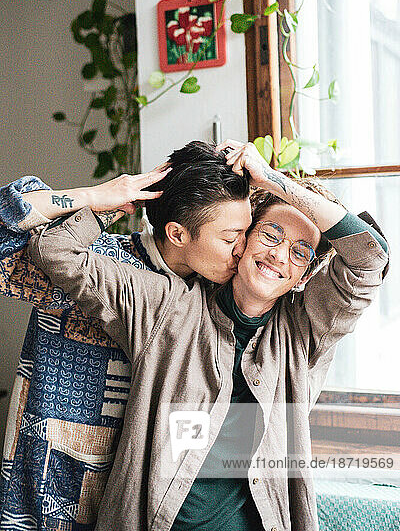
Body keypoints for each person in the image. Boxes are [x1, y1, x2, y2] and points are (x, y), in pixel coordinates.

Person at [27, 140, 388, 531]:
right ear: (244, 237)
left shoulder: (306, 332)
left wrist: (272, 180)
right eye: (270, 234)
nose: (279, 255)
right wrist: (111, 203)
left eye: (300, 252)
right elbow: (55, 251)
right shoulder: (167, 307)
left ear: (304, 276)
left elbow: (369, 256)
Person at [0, 141, 251, 530]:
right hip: (51, 487)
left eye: (245, 234)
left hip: (140, 499)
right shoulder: (92, 260)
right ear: (178, 233)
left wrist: (268, 178)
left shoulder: (222, 297)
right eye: (230, 237)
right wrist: (97, 197)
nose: (242, 250)